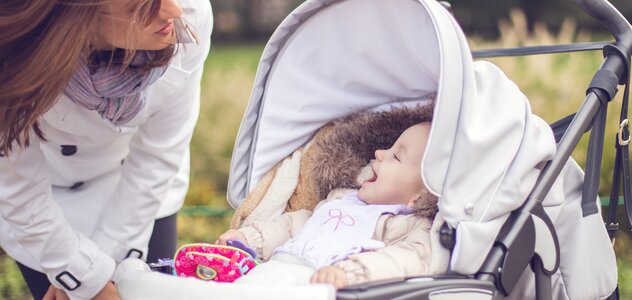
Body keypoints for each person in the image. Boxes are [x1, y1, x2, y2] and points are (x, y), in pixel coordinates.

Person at [0, 0, 212, 299]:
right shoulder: (11, 58)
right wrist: (82, 277)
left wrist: (108, 271)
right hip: (46, 206)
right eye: (143, 6)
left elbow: (158, 154)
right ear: (76, 14)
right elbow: (17, 185)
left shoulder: (190, 13)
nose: (172, 11)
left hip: (141, 192)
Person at [217, 122, 438, 289]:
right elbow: (294, 224)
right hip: (276, 271)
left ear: (421, 195)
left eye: (396, 157)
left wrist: (351, 273)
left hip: (323, 286)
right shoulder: (341, 199)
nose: (379, 153)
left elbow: (408, 259)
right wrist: (251, 238)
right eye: (388, 148)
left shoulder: (406, 226)